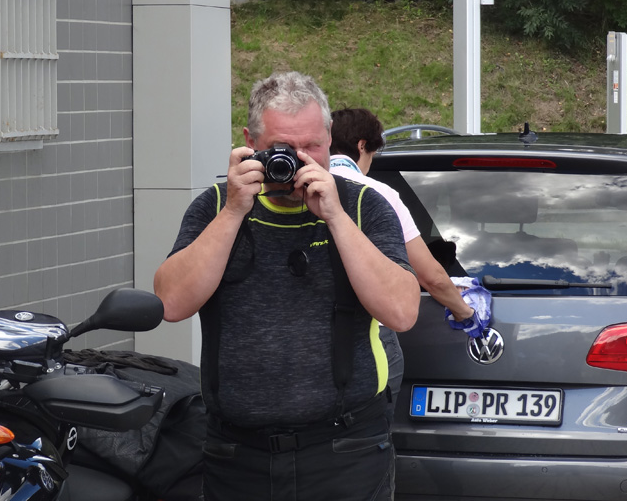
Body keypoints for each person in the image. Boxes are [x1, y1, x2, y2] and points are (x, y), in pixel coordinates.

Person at [154, 72, 421, 501]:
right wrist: (234, 212)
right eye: (282, 147)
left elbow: (402, 312)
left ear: (330, 137)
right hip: (237, 455)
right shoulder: (217, 206)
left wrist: (335, 217)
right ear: (250, 143)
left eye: (312, 146)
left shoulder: (362, 206)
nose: (299, 160)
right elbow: (170, 302)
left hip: (344, 451)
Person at [329, 107, 475, 418]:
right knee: (369, 434)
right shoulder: (378, 193)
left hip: (308, 336)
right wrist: (466, 313)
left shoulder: (299, 189)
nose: (370, 163)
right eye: (372, 154)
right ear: (361, 145)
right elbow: (431, 276)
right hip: (370, 337)